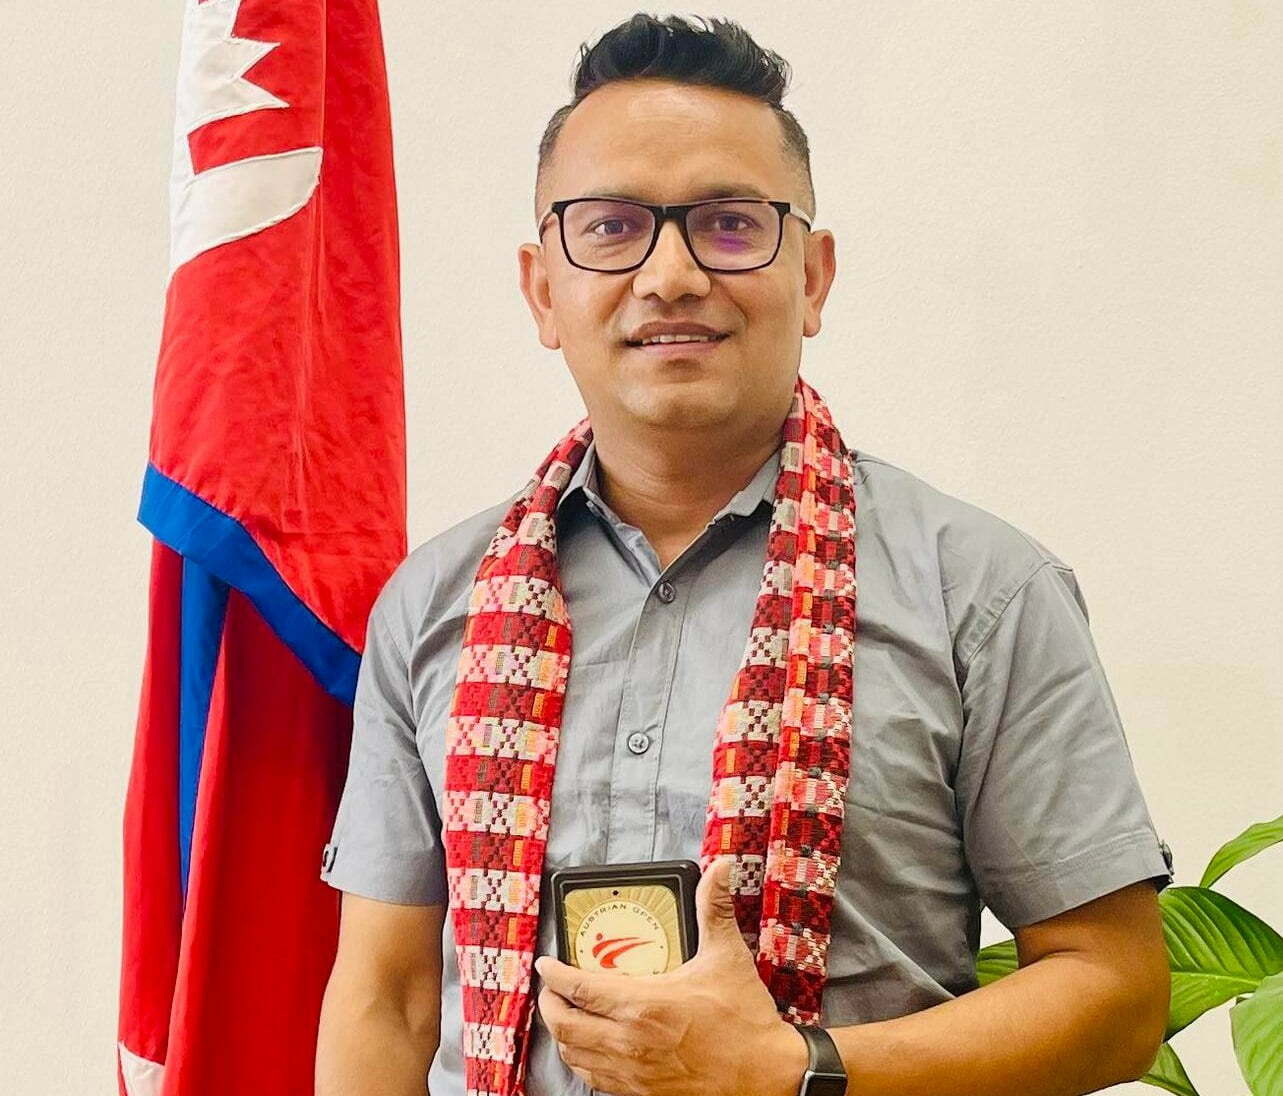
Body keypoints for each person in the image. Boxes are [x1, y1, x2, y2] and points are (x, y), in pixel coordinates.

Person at [314, 13, 1175, 1096]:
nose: (670, 275)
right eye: (612, 227)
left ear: (811, 277)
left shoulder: (979, 591)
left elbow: (1113, 990)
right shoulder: (436, 600)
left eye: (728, 225)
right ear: (543, 291)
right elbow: (387, 998)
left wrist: (791, 1067)